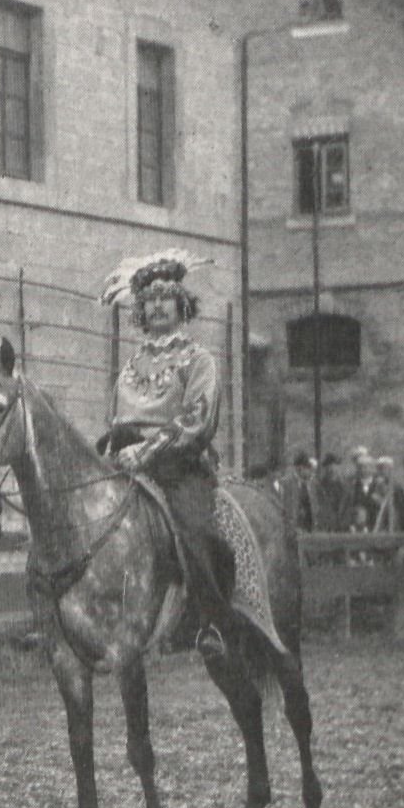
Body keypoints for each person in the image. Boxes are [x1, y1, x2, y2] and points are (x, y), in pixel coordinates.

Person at [98, 249, 233, 660]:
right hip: (124, 461)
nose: (157, 305)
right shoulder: (130, 366)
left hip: (177, 464)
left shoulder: (199, 360)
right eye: (149, 299)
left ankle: (211, 624)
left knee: (197, 531)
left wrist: (147, 450)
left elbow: (197, 418)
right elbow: (115, 414)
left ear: (181, 304)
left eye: (165, 297)